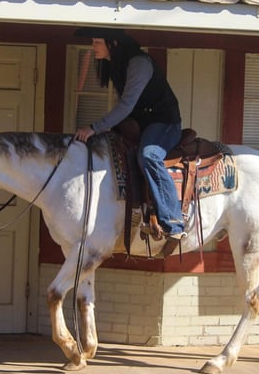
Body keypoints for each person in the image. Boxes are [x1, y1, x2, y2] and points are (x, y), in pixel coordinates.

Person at [73, 27, 185, 240]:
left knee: (149, 155)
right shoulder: (117, 64)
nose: (93, 46)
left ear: (113, 43)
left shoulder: (138, 63)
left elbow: (125, 105)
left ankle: (173, 221)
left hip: (163, 122)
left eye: (97, 41)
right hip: (141, 122)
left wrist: (94, 127)